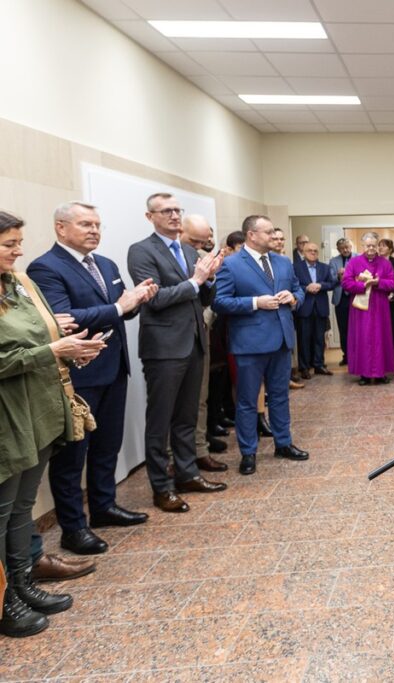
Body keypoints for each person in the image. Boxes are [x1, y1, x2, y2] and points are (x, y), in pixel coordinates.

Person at [26, 202, 157, 556]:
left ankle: (104, 507)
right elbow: (62, 318)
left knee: (107, 447)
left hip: (113, 369)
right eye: (85, 224)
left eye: (97, 224)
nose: (94, 230)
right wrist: (121, 306)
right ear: (61, 228)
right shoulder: (45, 267)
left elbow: (119, 313)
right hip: (78, 376)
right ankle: (73, 529)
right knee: (72, 457)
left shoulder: (107, 264)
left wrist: (139, 300)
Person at [0, 210, 107, 637]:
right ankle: (5, 598)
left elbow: (41, 337)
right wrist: (50, 351)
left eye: (18, 242)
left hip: (38, 408)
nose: (19, 251)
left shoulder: (20, 284)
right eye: (9, 245)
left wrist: (71, 348)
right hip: (7, 416)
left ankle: (24, 584)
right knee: (2, 510)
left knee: (22, 508)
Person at [127, 193, 227, 513]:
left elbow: (203, 297)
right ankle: (162, 486)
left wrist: (209, 278)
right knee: (160, 420)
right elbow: (154, 299)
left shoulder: (186, 249)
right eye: (166, 211)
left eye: (176, 210)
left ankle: (187, 474)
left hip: (194, 342)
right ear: (149, 216)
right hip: (164, 348)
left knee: (186, 417)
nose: (173, 216)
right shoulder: (141, 251)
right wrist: (197, 280)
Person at [213, 215, 308, 475]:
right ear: (251, 235)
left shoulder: (283, 262)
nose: (274, 237)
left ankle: (283, 443)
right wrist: (256, 302)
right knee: (247, 400)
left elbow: (298, 290)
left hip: (281, 340)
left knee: (279, 396)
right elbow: (220, 302)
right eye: (268, 232)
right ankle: (248, 452)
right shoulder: (231, 265)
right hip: (250, 344)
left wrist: (293, 297)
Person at [181, 214, 230, 465]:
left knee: (201, 397)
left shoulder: (200, 258)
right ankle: (175, 458)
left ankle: (200, 450)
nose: (201, 246)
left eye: (205, 240)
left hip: (202, 332)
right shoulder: (155, 255)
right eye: (195, 241)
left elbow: (208, 298)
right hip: (172, 341)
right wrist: (198, 279)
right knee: (175, 405)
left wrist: (210, 278)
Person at [342, 232, 394, 385]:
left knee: (381, 338)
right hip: (361, 309)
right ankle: (364, 374)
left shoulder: (385, 263)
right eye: (368, 246)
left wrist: (378, 283)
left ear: (377, 245)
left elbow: (393, 283)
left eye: (374, 245)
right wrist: (362, 285)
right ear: (363, 246)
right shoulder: (354, 263)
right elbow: (345, 283)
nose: (371, 248)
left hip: (380, 307)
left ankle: (380, 373)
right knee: (363, 339)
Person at [293, 241, 337, 379]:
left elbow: (332, 283)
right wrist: (306, 288)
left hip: (320, 308)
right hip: (304, 308)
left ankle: (319, 365)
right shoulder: (295, 267)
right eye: (309, 250)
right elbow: (292, 285)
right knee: (304, 339)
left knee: (319, 338)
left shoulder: (324, 267)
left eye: (315, 251)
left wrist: (320, 285)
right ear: (303, 252)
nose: (313, 253)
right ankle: (304, 367)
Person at [327, 238, 354, 365]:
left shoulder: (359, 258)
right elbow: (331, 281)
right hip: (341, 299)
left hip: (356, 297)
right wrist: (339, 277)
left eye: (347, 247)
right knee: (343, 329)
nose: (345, 249)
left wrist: (349, 275)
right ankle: (347, 356)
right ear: (338, 249)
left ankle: (357, 355)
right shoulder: (333, 261)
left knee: (357, 328)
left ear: (351, 246)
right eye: (342, 248)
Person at [377, 239, 394, 356]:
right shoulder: (374, 262)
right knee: (378, 331)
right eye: (379, 246)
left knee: (392, 330)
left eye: (384, 246)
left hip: (392, 300)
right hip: (377, 300)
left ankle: (392, 360)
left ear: (390, 249)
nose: (380, 248)